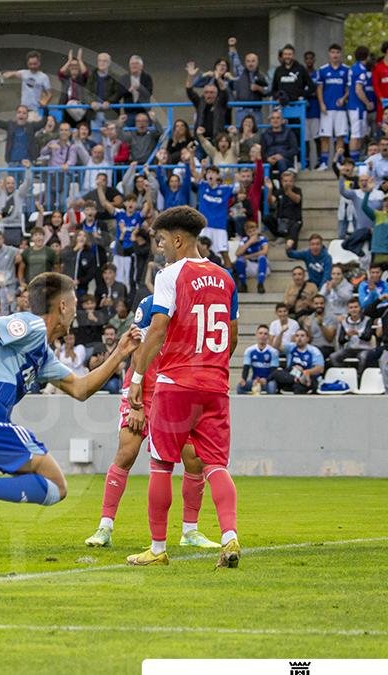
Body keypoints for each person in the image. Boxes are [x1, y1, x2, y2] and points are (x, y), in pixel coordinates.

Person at [0, 272, 140, 608]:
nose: (74, 311)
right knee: (56, 485)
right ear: (62, 306)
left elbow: (81, 388)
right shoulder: (30, 325)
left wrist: (119, 353)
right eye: (73, 304)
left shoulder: (42, 356)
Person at [125, 206, 240, 569]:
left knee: (161, 464)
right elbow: (232, 336)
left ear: (177, 239)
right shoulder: (226, 278)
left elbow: (157, 329)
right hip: (215, 384)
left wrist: (139, 379)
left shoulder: (170, 274)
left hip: (176, 382)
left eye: (161, 241)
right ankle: (229, 535)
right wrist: (213, 367)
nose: (160, 248)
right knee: (216, 465)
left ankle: (157, 549)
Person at [84, 294, 223, 549]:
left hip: (176, 391)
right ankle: (104, 526)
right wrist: (136, 403)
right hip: (144, 389)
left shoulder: (193, 303)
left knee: (194, 458)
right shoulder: (152, 302)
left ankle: (190, 531)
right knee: (127, 451)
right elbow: (138, 348)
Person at [238, 324, 280, 394]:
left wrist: (266, 379)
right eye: (260, 333)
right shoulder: (249, 350)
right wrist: (244, 379)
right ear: (256, 335)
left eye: (265, 334)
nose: (262, 336)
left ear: (268, 336)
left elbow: (274, 371)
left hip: (268, 381)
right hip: (255, 381)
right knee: (239, 387)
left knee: (272, 387)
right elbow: (246, 367)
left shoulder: (273, 352)